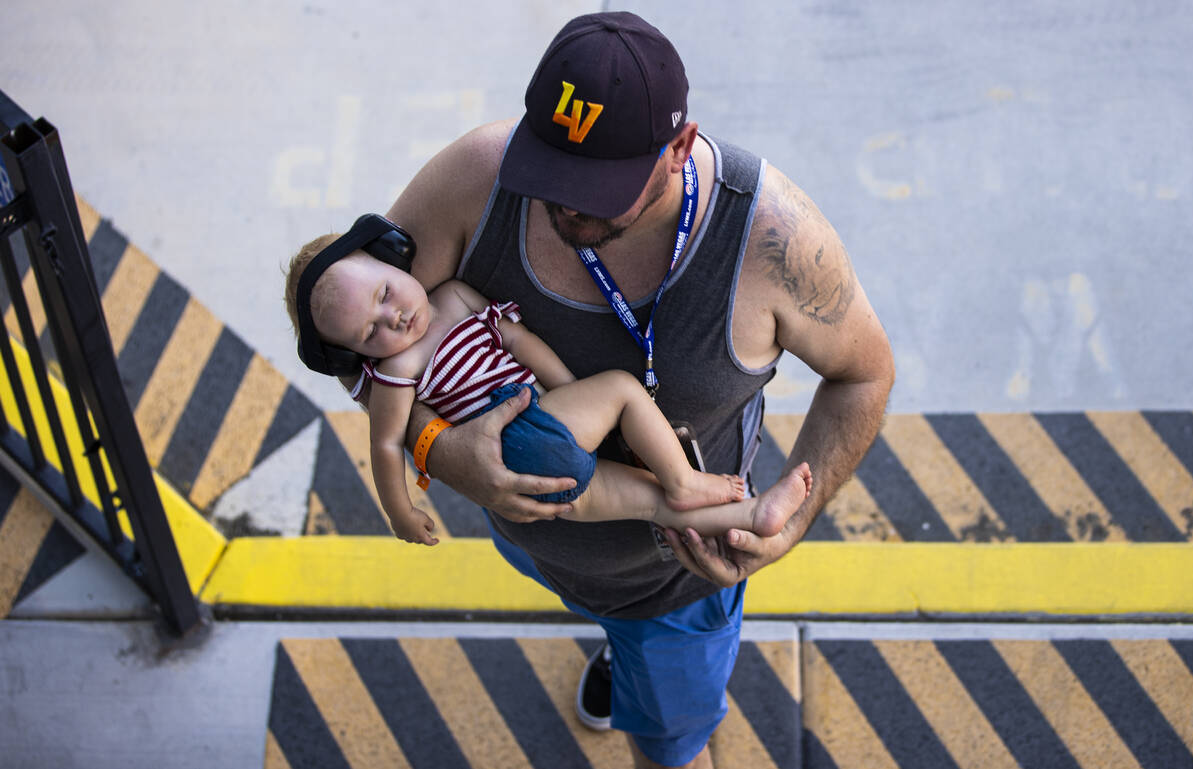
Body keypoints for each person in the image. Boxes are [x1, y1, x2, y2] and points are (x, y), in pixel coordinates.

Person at [374, 11, 893, 768]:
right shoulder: (475, 180)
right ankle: (612, 645)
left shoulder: (772, 239)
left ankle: (634, 661)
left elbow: (865, 373)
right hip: (529, 539)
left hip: (673, 588)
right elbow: (358, 339)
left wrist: (789, 522)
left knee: (666, 747)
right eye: (550, 173)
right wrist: (438, 450)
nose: (565, 207)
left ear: (681, 147)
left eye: (598, 188)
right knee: (565, 589)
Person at [283, 224, 813, 545]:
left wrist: (569, 397)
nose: (392, 320)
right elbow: (384, 441)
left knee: (649, 505)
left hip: (534, 456)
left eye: (384, 294)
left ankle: (755, 514)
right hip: (521, 435)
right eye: (368, 332)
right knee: (624, 390)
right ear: (355, 353)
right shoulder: (396, 372)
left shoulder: (452, 297)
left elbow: (519, 342)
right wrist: (399, 512)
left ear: (393, 259)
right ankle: (682, 476)